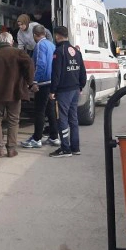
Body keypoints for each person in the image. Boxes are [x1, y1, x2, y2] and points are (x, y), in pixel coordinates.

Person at [0, 32, 35, 158]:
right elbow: (29, 64)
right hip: (15, 92)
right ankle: (11, 149)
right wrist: (29, 82)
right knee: (13, 120)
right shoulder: (19, 53)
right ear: (11, 42)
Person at [49, 26, 87, 158]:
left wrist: (52, 90)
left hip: (64, 91)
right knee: (73, 119)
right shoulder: (76, 51)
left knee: (62, 119)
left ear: (57, 36)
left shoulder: (59, 51)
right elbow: (82, 71)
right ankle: (75, 147)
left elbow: (56, 73)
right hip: (75, 89)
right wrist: (81, 86)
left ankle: (65, 148)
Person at [21, 25, 60, 148]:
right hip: (51, 82)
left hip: (43, 83)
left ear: (34, 35)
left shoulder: (40, 45)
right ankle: (54, 136)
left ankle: (37, 138)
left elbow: (40, 64)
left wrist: (34, 81)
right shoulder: (51, 45)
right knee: (51, 111)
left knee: (39, 111)